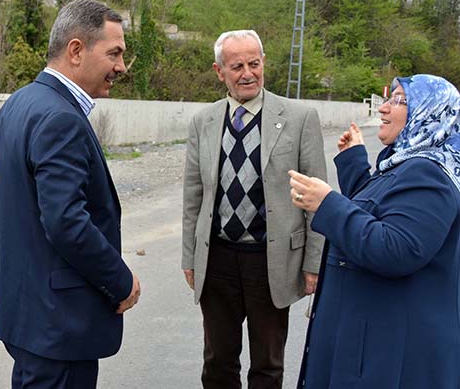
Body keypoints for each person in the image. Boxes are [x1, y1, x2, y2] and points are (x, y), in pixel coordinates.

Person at [0, 0, 141, 389]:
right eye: (114, 53)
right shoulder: (60, 118)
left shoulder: (21, 103)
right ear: (76, 50)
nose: (121, 66)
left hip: (29, 311)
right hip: (58, 321)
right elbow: (66, 222)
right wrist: (120, 281)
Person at [290, 74, 460, 388]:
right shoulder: (404, 164)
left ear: (429, 111)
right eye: (389, 98)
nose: (384, 108)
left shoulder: (430, 174)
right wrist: (354, 163)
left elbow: (397, 249)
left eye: (400, 100)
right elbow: (377, 213)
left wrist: (327, 204)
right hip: (372, 341)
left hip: (388, 353)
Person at [182, 29, 327, 389]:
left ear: (263, 63)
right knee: (217, 362)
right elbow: (194, 196)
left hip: (271, 261)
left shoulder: (299, 118)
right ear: (219, 72)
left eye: (254, 64)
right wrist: (190, 258)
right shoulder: (203, 122)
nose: (248, 74)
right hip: (217, 259)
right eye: (237, 67)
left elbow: (317, 199)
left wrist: (313, 263)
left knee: (268, 365)